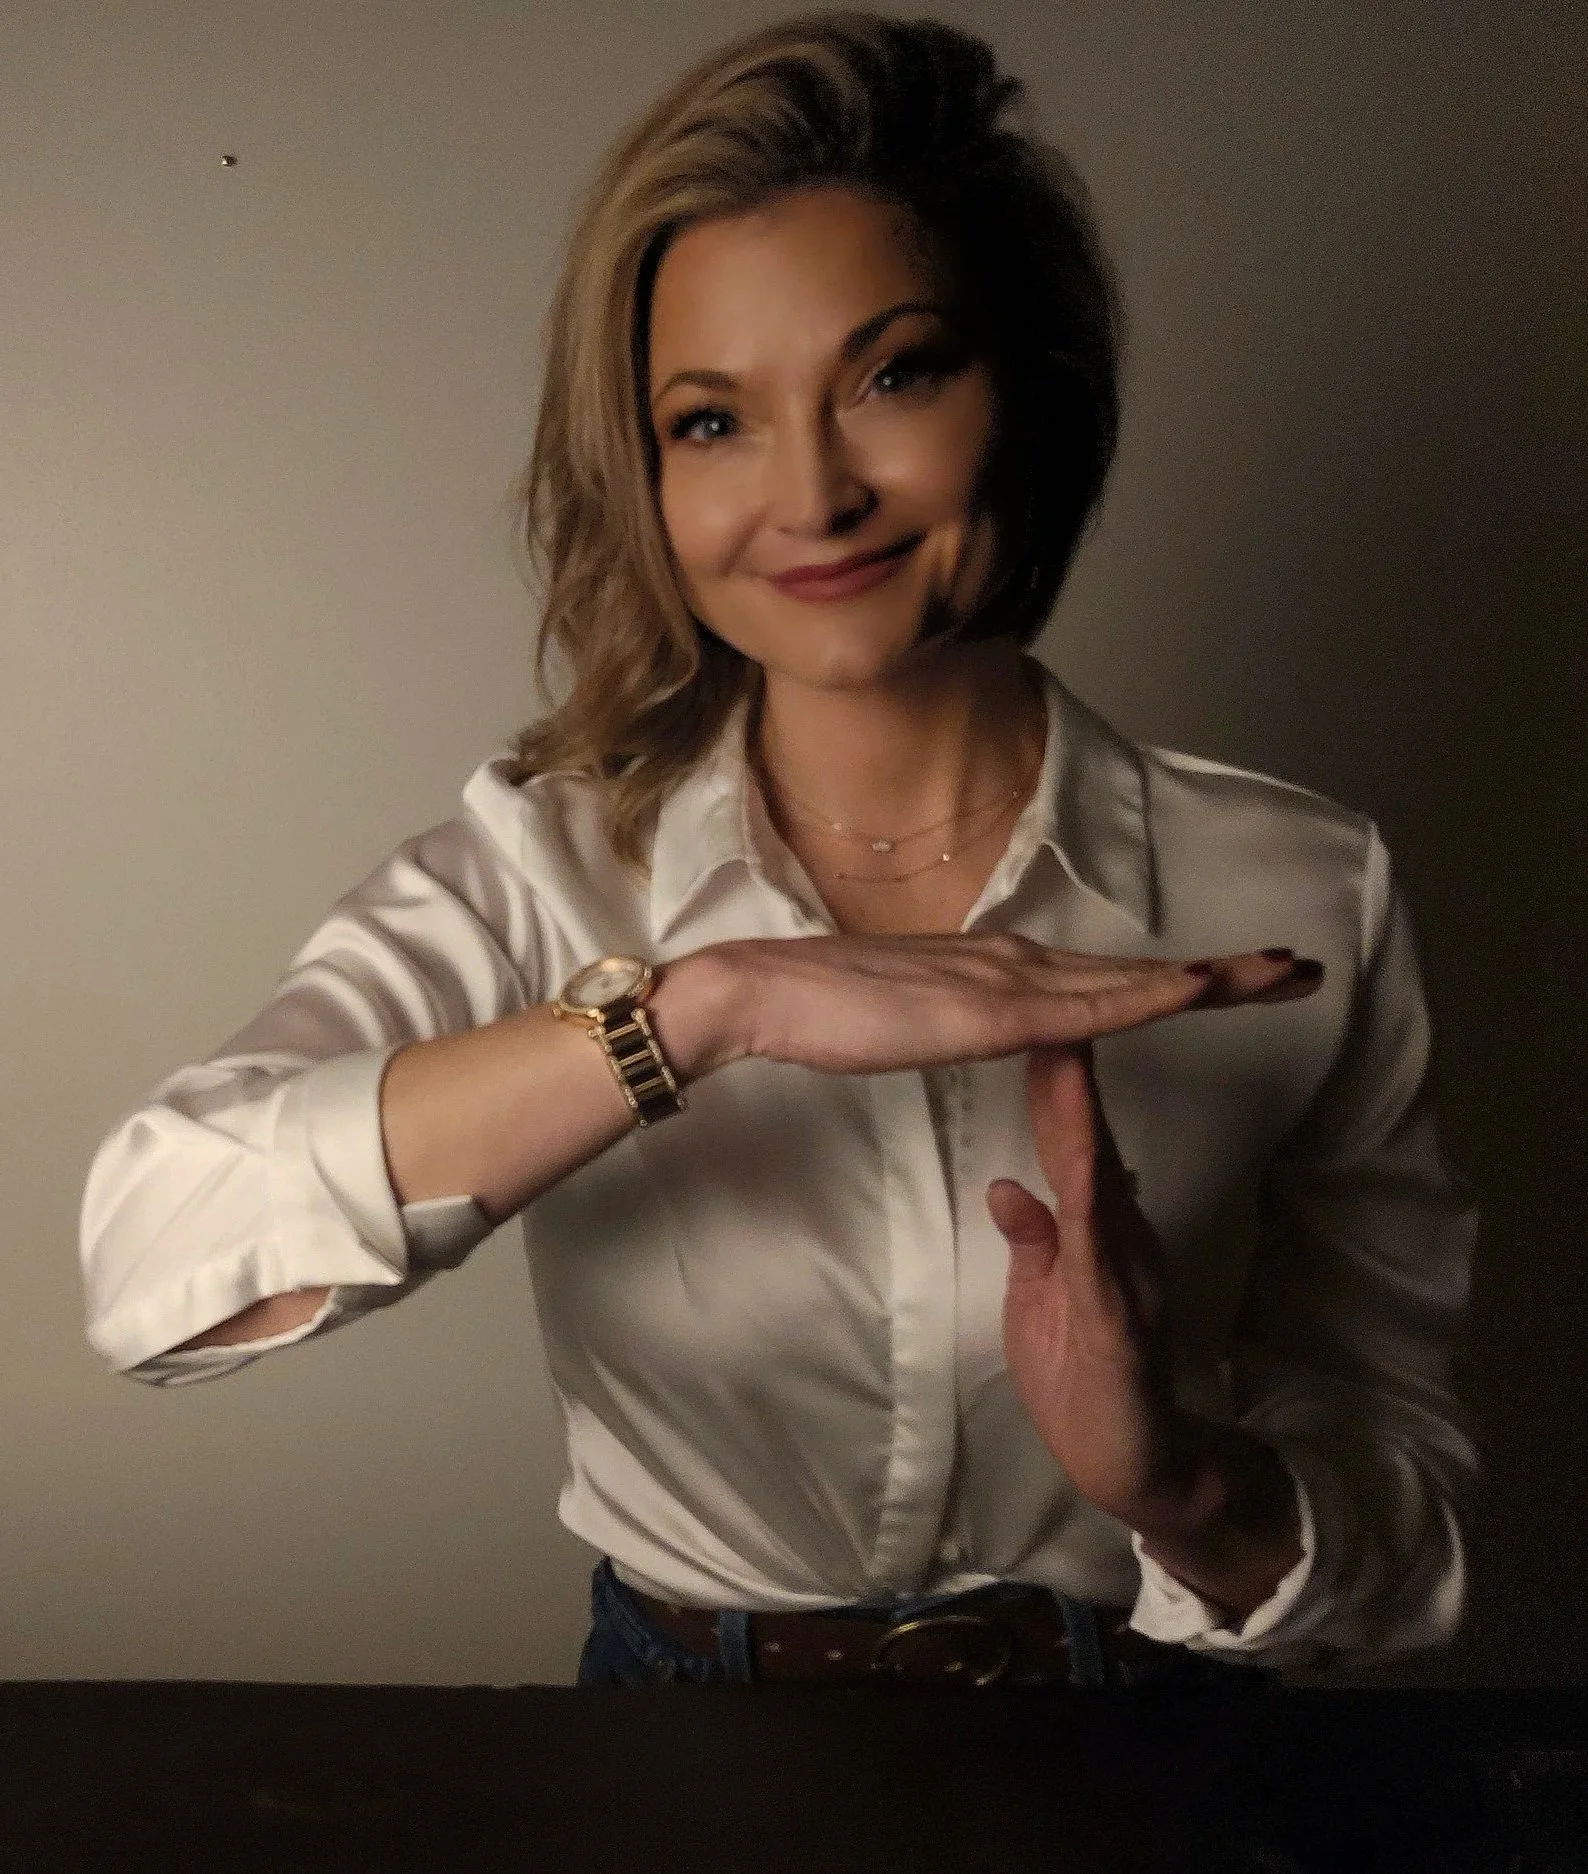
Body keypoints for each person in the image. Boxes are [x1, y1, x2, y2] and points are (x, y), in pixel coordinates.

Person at [79, 14, 1477, 1691]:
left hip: (1149, 1746)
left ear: (1024, 389)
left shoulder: (1303, 891)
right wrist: (701, 1012)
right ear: (645, 473)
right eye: (712, 420)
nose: (811, 495)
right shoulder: (542, 864)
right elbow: (152, 1265)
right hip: (678, 1755)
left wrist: (1181, 1482)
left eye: (893, 375)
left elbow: (1411, 1527)